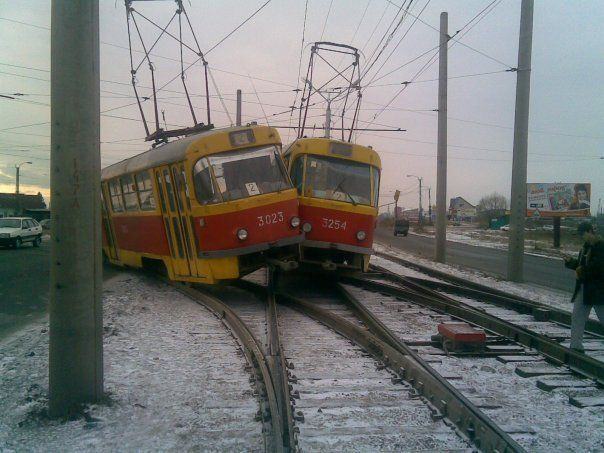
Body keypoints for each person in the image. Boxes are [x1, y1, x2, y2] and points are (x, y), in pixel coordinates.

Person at [564, 222, 604, 352]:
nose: (581, 237)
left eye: (582, 234)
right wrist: (571, 262)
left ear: (589, 231)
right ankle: (575, 347)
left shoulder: (601, 247)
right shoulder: (585, 248)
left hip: (598, 291)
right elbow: (581, 266)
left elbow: (598, 268)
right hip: (584, 289)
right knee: (577, 317)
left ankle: (576, 346)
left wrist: (582, 270)